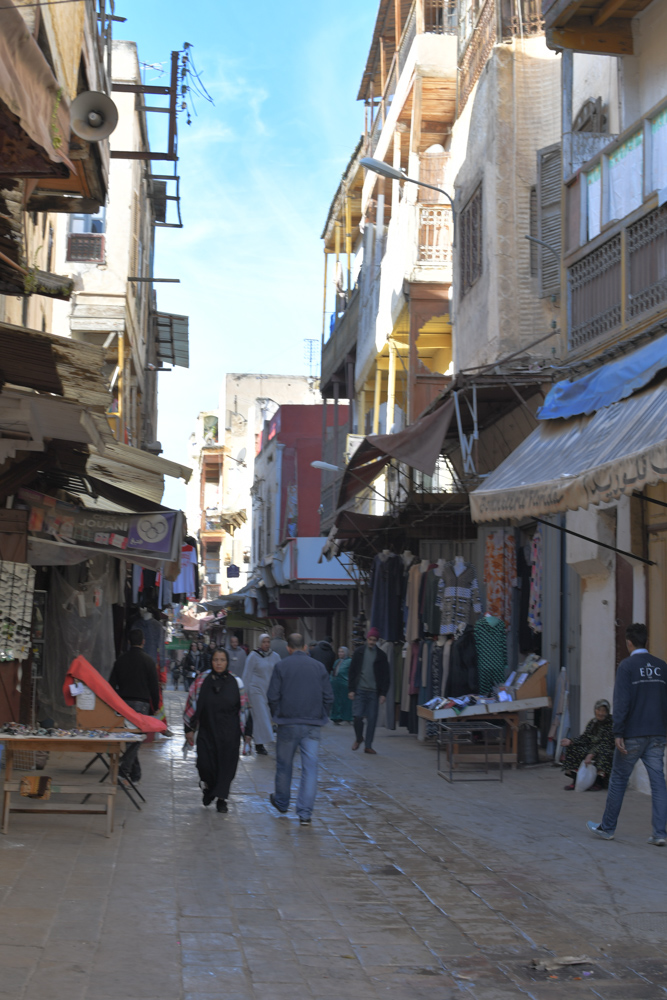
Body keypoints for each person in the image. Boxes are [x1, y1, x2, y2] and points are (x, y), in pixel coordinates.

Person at [587, 623, 667, 845]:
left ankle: (608, 827)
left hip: (632, 734)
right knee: (658, 782)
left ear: (629, 642)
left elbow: (621, 702)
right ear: (646, 641)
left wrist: (618, 731)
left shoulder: (627, 666)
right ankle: (660, 833)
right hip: (658, 734)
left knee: (619, 779)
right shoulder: (662, 666)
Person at [267, 633, 333, 825]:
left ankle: (281, 801)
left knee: (284, 765)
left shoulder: (281, 666)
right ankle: (305, 813)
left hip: (288, 722)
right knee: (310, 769)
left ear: (288, 648)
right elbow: (328, 696)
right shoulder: (319, 667)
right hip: (312, 724)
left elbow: (272, 696)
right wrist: (322, 715)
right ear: (305, 647)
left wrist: (277, 714)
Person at [183, 648, 247, 813]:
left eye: (222, 660)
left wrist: (248, 733)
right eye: (216, 660)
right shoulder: (201, 681)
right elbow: (191, 704)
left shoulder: (237, 682)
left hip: (230, 734)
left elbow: (245, 710)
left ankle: (221, 799)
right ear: (211, 661)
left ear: (227, 662)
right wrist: (189, 729)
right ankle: (209, 788)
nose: (219, 663)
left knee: (226, 768)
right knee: (204, 765)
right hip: (207, 731)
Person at [109, 628, 160, 782]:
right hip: (142, 705)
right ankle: (124, 769)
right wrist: (155, 705)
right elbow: (154, 687)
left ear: (129, 642)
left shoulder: (120, 660)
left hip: (123, 704)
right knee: (137, 738)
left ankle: (135, 774)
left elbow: (111, 685)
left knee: (130, 738)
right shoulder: (149, 661)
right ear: (143, 642)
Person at [348, 627, 390, 754]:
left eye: (374, 640)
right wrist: (351, 689)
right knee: (357, 716)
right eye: (370, 639)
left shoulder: (381, 656)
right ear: (367, 639)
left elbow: (385, 676)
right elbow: (352, 671)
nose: (372, 642)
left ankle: (368, 745)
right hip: (360, 689)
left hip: (373, 691)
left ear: (377, 641)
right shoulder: (359, 652)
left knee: (372, 718)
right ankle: (359, 737)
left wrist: (383, 693)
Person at [561, 699, 614, 790]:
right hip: (592, 748)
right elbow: (585, 737)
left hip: (604, 748)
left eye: (603, 711)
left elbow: (606, 743)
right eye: (598, 710)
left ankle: (598, 782)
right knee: (573, 748)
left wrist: (591, 754)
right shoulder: (593, 722)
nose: (601, 713)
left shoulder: (611, 723)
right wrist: (571, 741)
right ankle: (576, 780)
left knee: (604, 753)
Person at [243, 634, 280, 755]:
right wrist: (244, 693)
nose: (266, 644)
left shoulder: (275, 656)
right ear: (260, 643)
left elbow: (280, 673)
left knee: (266, 717)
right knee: (261, 716)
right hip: (255, 690)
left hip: (269, 690)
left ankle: (259, 741)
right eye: (264, 642)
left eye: (268, 641)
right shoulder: (253, 656)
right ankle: (260, 744)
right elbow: (247, 674)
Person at [330, 645, 353, 724]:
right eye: (339, 651)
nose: (340, 653)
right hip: (336, 683)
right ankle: (336, 717)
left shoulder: (349, 661)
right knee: (336, 701)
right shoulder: (337, 661)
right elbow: (333, 671)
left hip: (344, 683)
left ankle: (347, 717)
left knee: (346, 701)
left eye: (342, 652)